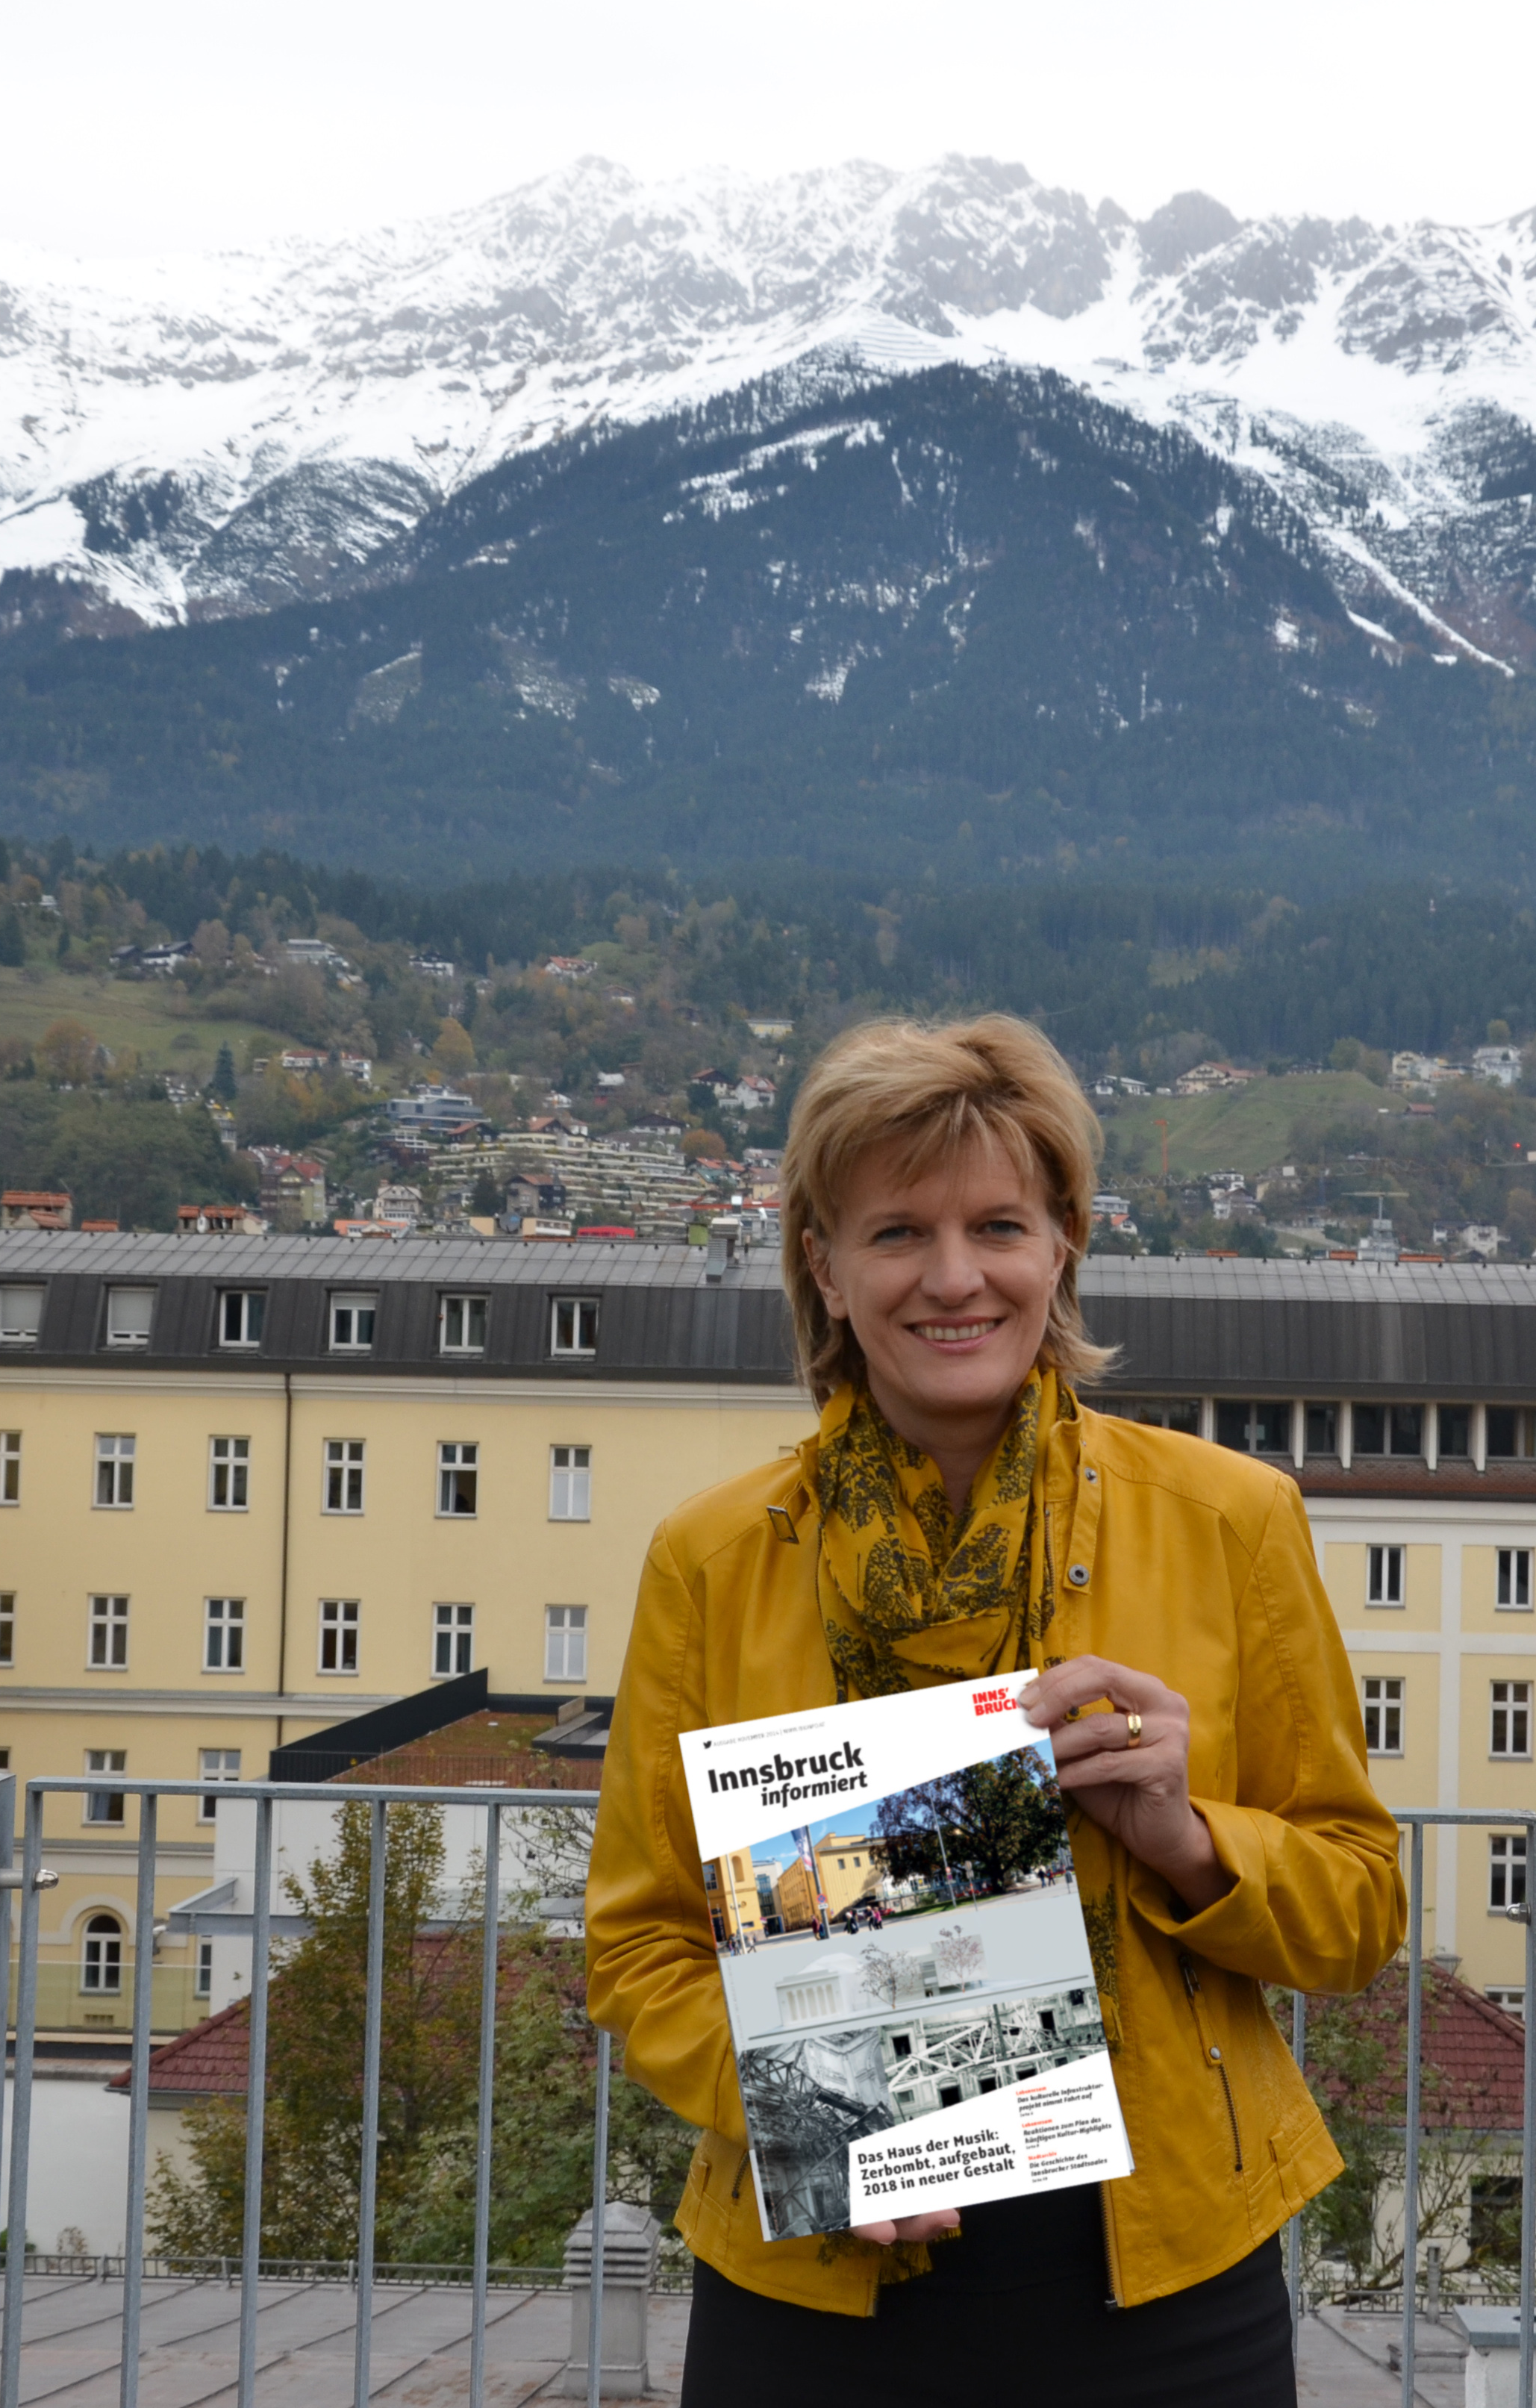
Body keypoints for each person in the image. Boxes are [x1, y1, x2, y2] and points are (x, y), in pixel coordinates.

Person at [587, 1014, 1405, 2404]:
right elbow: (641, 1951)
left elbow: (1358, 1914)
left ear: (1063, 1245)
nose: (953, 1279)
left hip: (1167, 2289)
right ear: (824, 1269)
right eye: (897, 1232)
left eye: (999, 1227)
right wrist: (820, 2115)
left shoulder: (1229, 1522)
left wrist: (1185, 1833)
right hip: (814, 2288)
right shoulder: (715, 1560)